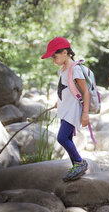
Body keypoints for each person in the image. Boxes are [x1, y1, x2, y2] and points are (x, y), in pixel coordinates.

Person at [41, 37, 89, 182]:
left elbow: (85, 91)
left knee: (61, 138)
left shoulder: (75, 69)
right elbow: (66, 89)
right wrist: (58, 102)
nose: (53, 60)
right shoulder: (62, 70)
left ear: (64, 52)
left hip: (73, 110)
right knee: (67, 138)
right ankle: (75, 165)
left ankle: (80, 162)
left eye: (54, 57)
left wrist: (85, 114)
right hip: (64, 109)